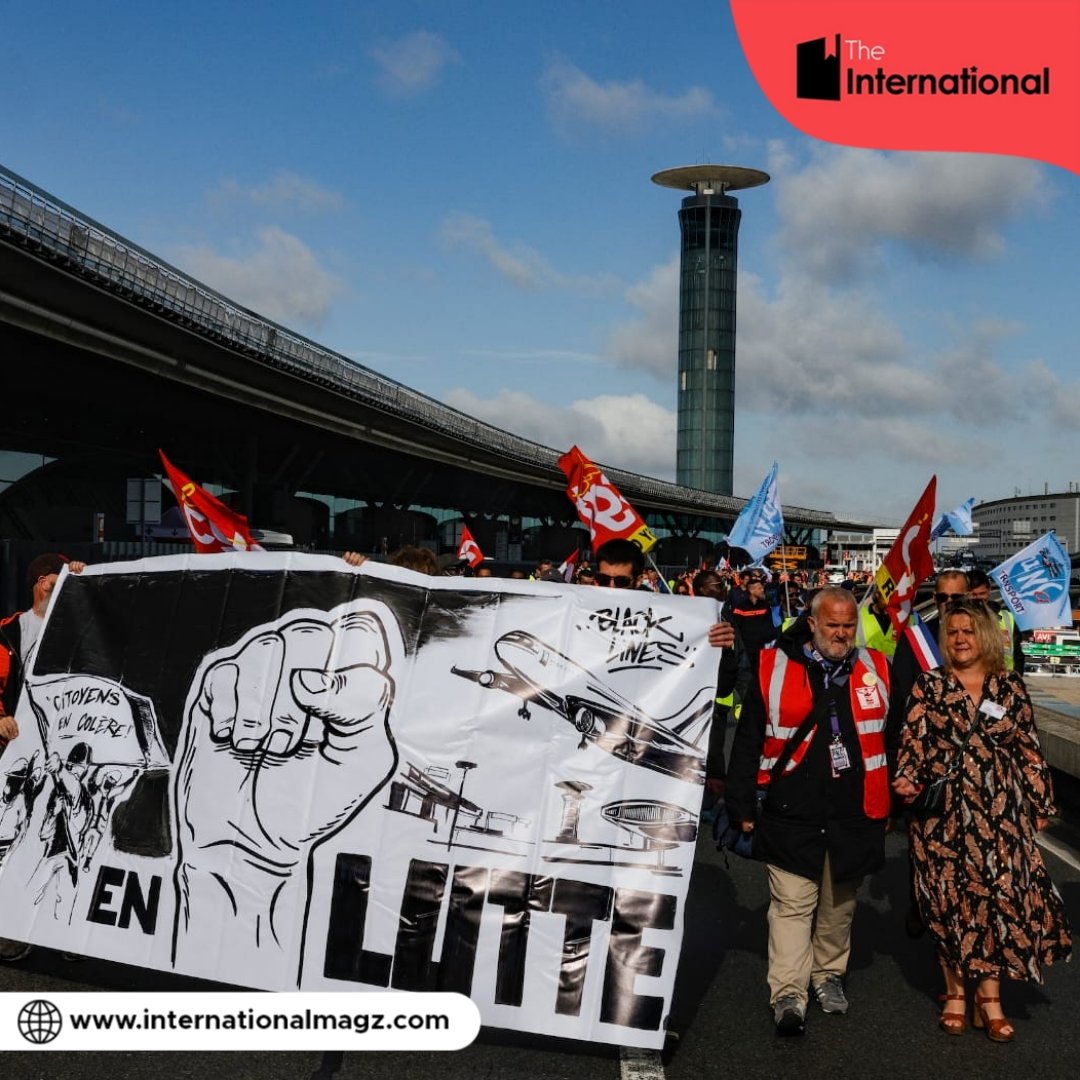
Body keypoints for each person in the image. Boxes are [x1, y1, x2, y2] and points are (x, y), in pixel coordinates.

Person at [891, 600, 1070, 1041]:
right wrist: (907, 779)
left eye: (969, 631)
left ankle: (989, 999)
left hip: (1000, 817)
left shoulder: (1009, 688)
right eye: (952, 633)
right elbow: (912, 742)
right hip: (944, 819)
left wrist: (1041, 803)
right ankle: (954, 991)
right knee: (948, 902)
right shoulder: (929, 686)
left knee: (996, 903)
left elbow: (1029, 749)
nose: (960, 639)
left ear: (986, 636)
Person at [726, 587, 892, 1035]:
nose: (841, 634)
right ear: (812, 623)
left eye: (848, 626)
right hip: (789, 808)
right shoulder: (771, 665)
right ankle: (788, 993)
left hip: (854, 811)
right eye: (832, 625)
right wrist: (740, 803)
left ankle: (828, 974)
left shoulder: (876, 667)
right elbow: (748, 740)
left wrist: (895, 798)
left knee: (839, 906)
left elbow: (892, 740)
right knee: (792, 905)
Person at [0, 552, 87, 961]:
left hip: (66, 752)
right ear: (39, 581)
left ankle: (66, 928)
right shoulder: (8, 631)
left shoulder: (78, 627)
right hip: (15, 752)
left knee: (67, 837)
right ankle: (14, 927)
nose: (58, 584)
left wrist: (86, 575)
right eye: (54, 577)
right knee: (13, 836)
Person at [885, 569, 968, 938]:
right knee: (924, 843)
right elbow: (900, 704)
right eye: (942, 598)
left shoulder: (983, 639)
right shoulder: (916, 640)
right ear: (935, 601)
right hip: (927, 763)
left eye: (957, 598)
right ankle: (922, 902)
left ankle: (960, 918)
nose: (949, 605)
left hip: (970, 766)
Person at [966, 568, 1025, 674]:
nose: (978, 599)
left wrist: (1017, 681)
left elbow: (1017, 656)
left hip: (1003, 683)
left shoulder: (1008, 618)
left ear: (989, 591)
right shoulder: (958, 621)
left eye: (982, 593)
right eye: (973, 595)